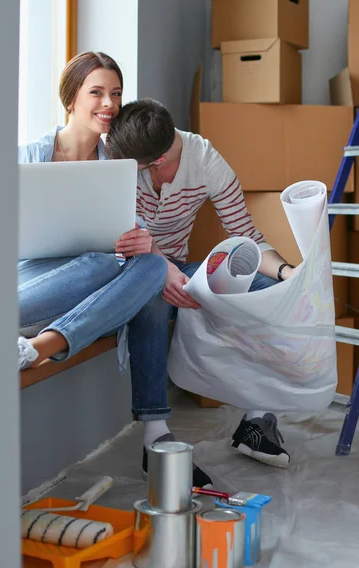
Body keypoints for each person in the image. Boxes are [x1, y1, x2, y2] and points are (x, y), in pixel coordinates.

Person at [107, 98, 298, 469]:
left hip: (175, 262)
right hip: (126, 265)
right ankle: (156, 438)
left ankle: (256, 419)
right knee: (151, 298)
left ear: (159, 162)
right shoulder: (121, 159)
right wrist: (157, 269)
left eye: (140, 168)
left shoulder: (207, 163)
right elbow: (119, 236)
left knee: (266, 289)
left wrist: (288, 273)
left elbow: (247, 237)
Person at [17, 52, 183, 464]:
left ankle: (43, 346)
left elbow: (139, 233)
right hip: (33, 286)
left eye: (116, 93)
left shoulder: (117, 164)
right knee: (103, 262)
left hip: (89, 290)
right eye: (97, 92)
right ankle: (155, 433)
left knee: (148, 265)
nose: (109, 104)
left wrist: (152, 250)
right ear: (71, 98)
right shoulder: (30, 157)